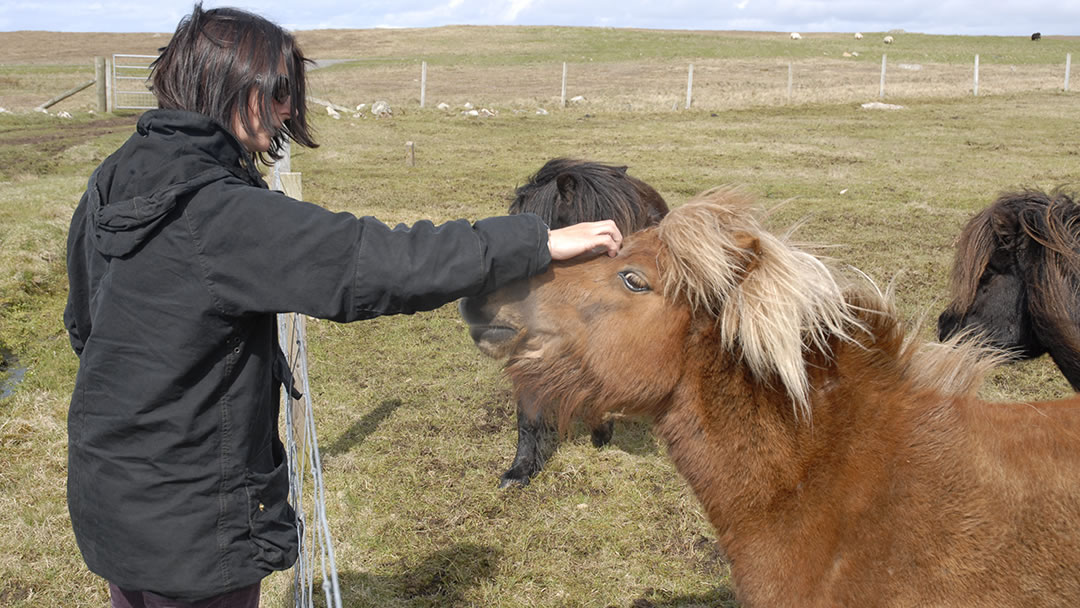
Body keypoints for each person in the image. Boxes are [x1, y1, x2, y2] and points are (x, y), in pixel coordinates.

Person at [63, 4, 622, 607]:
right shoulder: (222, 214)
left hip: (110, 490)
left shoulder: (113, 177)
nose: (287, 108)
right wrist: (536, 239)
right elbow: (380, 260)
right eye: (279, 90)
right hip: (194, 517)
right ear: (224, 82)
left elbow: (84, 324)